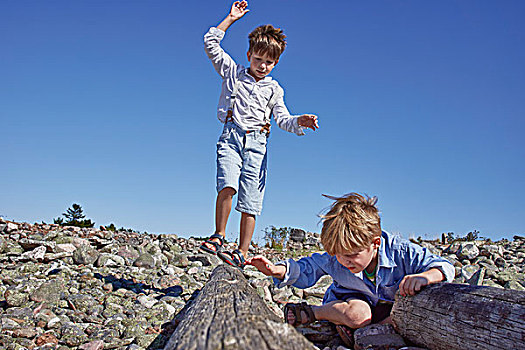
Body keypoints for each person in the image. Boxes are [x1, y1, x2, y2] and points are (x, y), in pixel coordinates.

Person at [200, 1, 319, 269]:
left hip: (257, 143)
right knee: (228, 184)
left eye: (269, 62)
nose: (262, 66)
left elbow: (283, 120)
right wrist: (230, 19)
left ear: (276, 63)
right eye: (258, 59)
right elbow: (210, 44)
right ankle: (219, 235)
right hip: (231, 136)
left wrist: (299, 120)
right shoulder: (233, 73)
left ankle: (242, 250)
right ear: (249, 53)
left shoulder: (275, 90)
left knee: (251, 199)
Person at [247, 193, 454, 347]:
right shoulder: (337, 258)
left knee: (402, 317)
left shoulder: (400, 252)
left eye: (352, 255)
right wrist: (276, 270)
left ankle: (363, 331)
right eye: (338, 254)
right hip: (350, 300)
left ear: (375, 243)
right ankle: (314, 312)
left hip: (387, 306)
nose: (345, 261)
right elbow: (307, 268)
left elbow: (444, 266)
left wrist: (426, 276)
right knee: (358, 316)